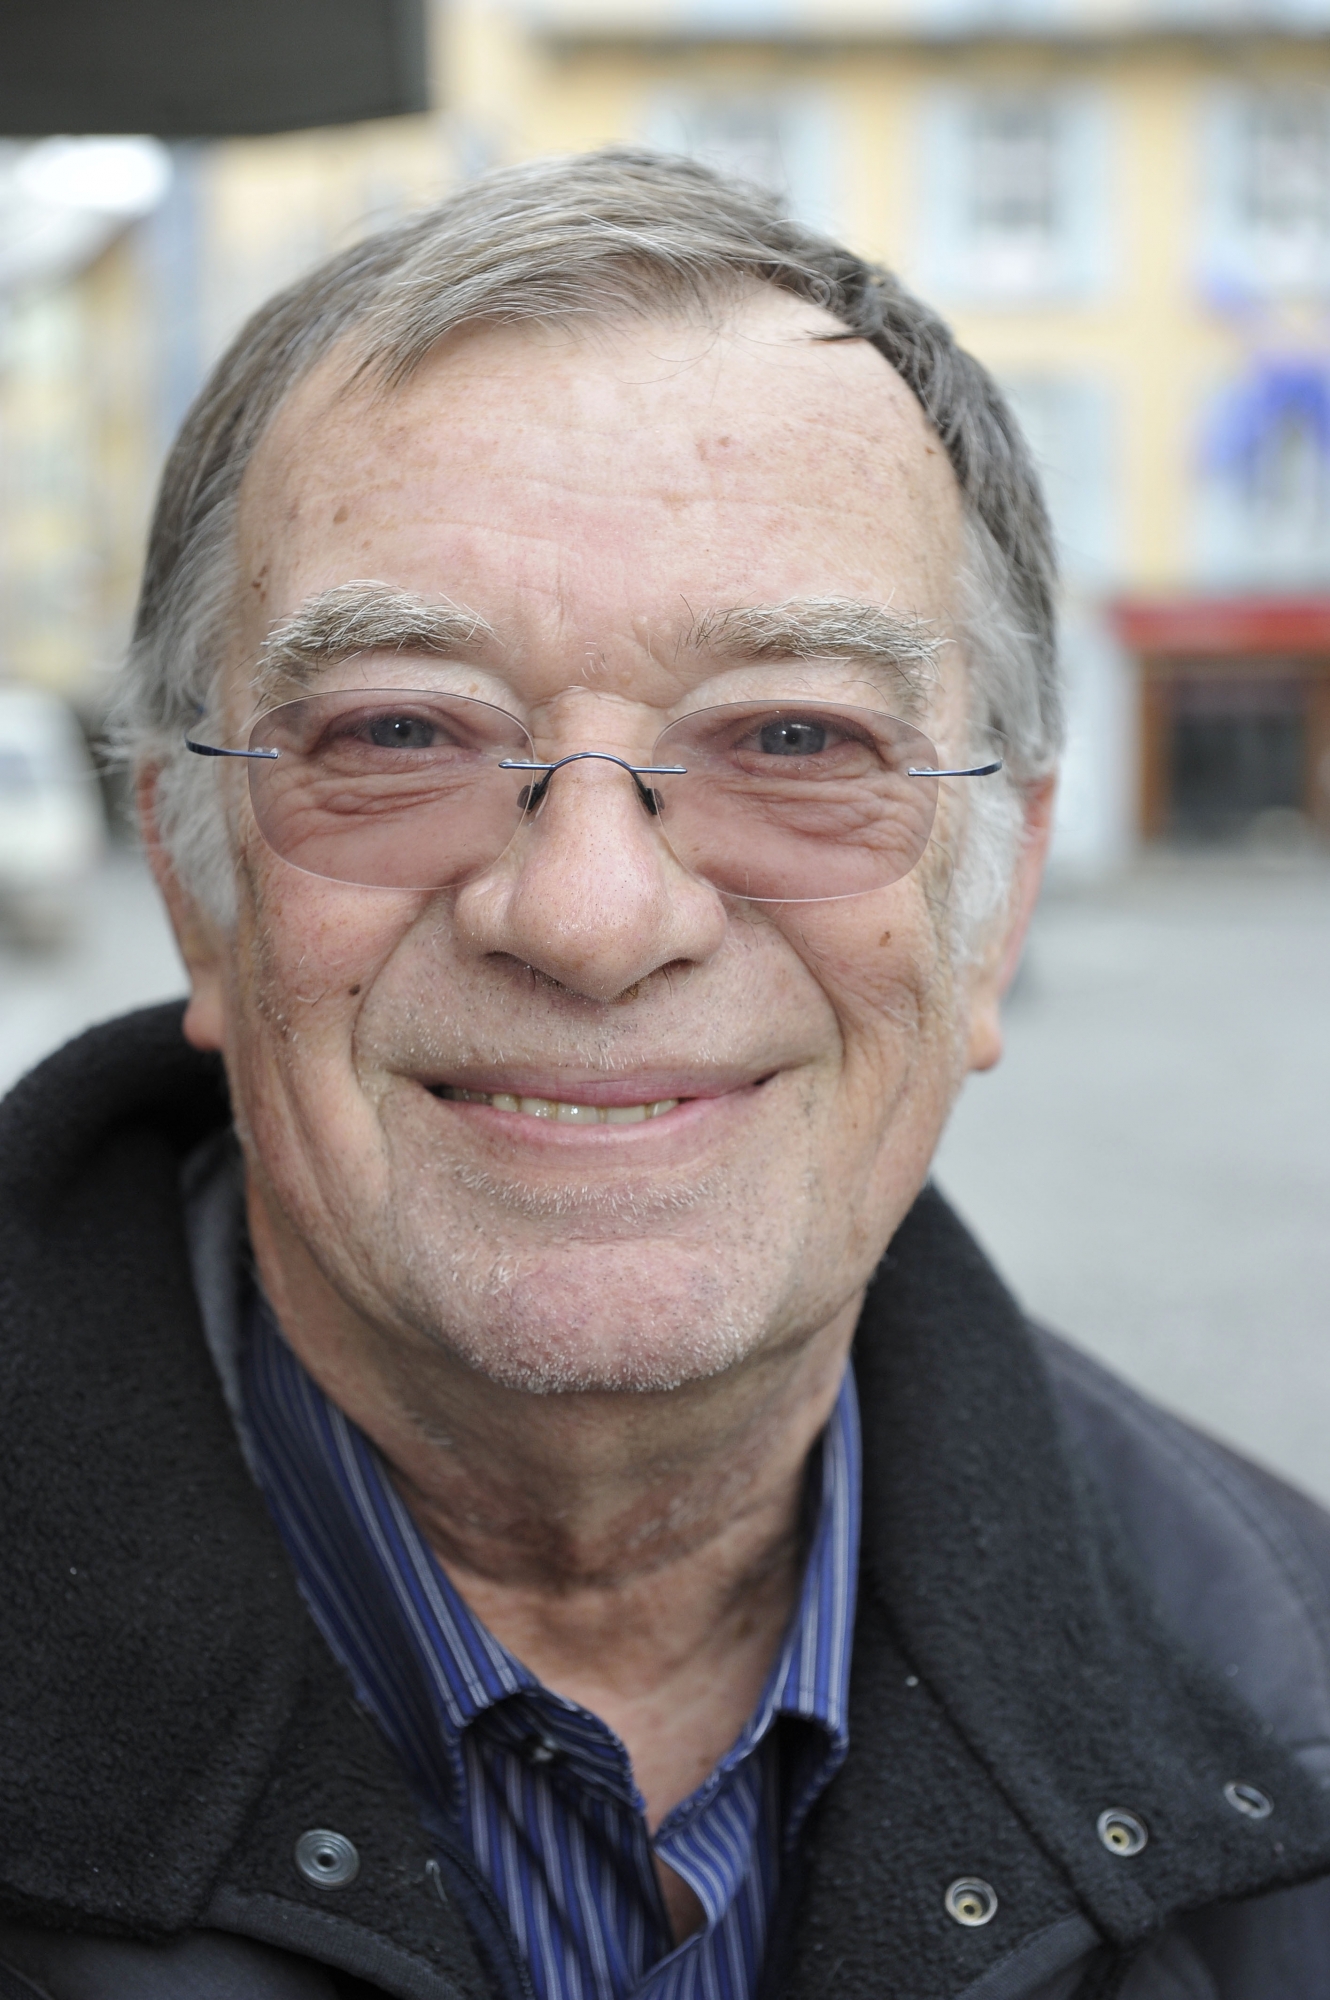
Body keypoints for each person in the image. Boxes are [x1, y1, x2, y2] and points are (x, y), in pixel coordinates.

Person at [1, 151, 1328, 2000]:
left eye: (795, 733)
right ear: (190, 877)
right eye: (398, 728)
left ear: (996, 902)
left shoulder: (1299, 1720)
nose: (592, 911)